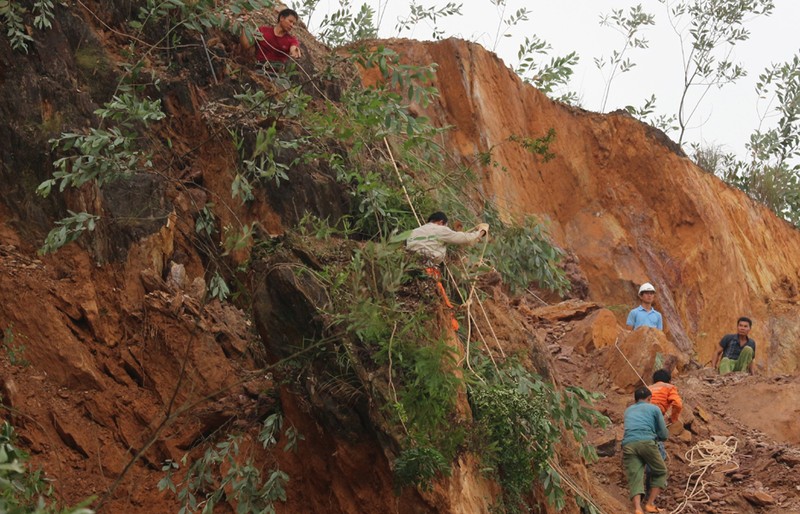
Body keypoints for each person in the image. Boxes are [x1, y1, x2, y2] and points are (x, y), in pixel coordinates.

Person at [406, 212, 488, 330]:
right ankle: (451, 329)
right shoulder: (440, 230)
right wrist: (481, 232)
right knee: (444, 306)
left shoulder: (414, 232)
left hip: (409, 267)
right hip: (428, 270)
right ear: (440, 222)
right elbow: (465, 238)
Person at [622, 387, 669, 514]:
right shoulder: (654, 408)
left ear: (635, 399)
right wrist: (660, 437)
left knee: (635, 476)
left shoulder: (628, 411)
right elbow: (663, 433)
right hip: (646, 442)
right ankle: (649, 504)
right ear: (649, 398)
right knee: (660, 471)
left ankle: (637, 508)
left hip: (628, 444)